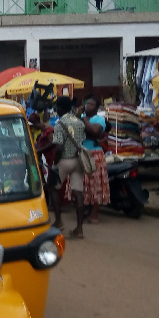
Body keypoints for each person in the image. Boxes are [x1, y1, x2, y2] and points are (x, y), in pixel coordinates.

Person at [48, 96, 86, 239]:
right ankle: (79, 229)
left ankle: (58, 221)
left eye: (56, 107)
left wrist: (55, 164)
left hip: (64, 160)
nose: (55, 110)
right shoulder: (79, 122)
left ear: (60, 108)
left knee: (53, 187)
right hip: (78, 161)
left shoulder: (60, 124)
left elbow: (58, 148)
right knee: (78, 193)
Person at [69, 94, 110, 223]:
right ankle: (84, 211)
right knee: (82, 184)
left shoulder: (99, 119)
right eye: (87, 104)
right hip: (81, 153)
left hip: (94, 154)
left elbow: (95, 131)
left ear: (97, 108)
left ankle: (94, 214)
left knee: (96, 185)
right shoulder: (79, 118)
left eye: (91, 104)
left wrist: (84, 120)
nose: (87, 106)